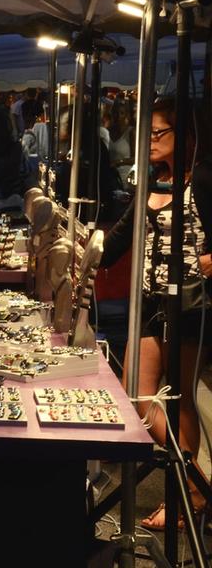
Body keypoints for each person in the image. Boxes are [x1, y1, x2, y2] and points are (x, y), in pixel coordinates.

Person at [100, 98, 212, 530]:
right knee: (138, 395)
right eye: (145, 134)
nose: (147, 142)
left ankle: (190, 496)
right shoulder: (154, 182)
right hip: (149, 302)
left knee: (180, 397)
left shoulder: (203, 178)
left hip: (190, 304)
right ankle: (196, 482)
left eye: (158, 133)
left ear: (185, 134)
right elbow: (118, 239)